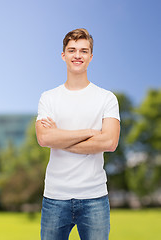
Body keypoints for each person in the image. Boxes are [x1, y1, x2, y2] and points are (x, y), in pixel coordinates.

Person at [35, 28, 120, 240]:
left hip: (95, 197)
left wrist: (60, 138)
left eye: (83, 51)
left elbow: (109, 141)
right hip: (55, 196)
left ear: (91, 56)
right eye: (72, 50)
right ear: (63, 55)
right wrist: (90, 134)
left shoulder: (107, 98)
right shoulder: (49, 98)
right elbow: (44, 138)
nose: (77, 55)